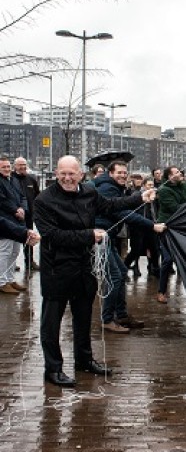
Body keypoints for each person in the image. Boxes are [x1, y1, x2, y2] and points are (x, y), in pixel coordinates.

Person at [33, 155, 157, 387]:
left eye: (72, 173)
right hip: (57, 268)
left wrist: (139, 197)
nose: (68, 178)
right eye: (63, 174)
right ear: (56, 174)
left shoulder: (89, 192)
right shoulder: (43, 200)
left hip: (84, 266)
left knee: (83, 316)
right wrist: (90, 235)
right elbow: (53, 235)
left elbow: (110, 205)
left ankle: (84, 360)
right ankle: (53, 368)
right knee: (51, 322)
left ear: (81, 174)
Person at [94, 161, 166, 332]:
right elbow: (121, 212)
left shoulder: (113, 187)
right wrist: (151, 225)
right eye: (119, 172)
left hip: (108, 237)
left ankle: (122, 315)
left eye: (125, 173)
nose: (123, 175)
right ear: (110, 173)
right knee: (115, 277)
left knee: (122, 272)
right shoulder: (106, 189)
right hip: (100, 237)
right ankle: (108, 319)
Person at [155, 166, 186, 304]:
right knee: (167, 260)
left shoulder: (183, 186)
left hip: (181, 228)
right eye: (176, 172)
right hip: (166, 228)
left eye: (179, 171)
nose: (179, 173)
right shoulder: (164, 190)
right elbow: (175, 208)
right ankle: (161, 291)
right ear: (169, 176)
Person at [0, 155, 28, 293]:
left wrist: (23, 209)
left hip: (18, 221)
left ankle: (10, 279)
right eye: (3, 167)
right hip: (5, 222)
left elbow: (23, 196)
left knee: (14, 252)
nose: (6, 169)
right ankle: (2, 281)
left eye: (7, 166)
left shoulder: (13, 180)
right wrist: (16, 210)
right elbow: (2, 201)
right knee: (5, 252)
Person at [124, 176, 160, 278]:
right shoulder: (137, 195)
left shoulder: (154, 196)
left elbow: (156, 209)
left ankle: (156, 269)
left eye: (152, 185)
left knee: (154, 249)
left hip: (151, 226)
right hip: (138, 227)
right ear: (143, 186)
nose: (151, 187)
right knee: (136, 250)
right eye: (149, 185)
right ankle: (125, 268)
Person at [12, 157, 40, 272]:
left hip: (29, 216)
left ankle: (29, 261)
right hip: (14, 216)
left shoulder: (31, 179)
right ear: (15, 166)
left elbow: (38, 196)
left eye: (24, 164)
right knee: (12, 241)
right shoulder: (11, 179)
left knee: (29, 239)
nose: (22, 167)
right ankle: (11, 263)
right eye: (20, 165)